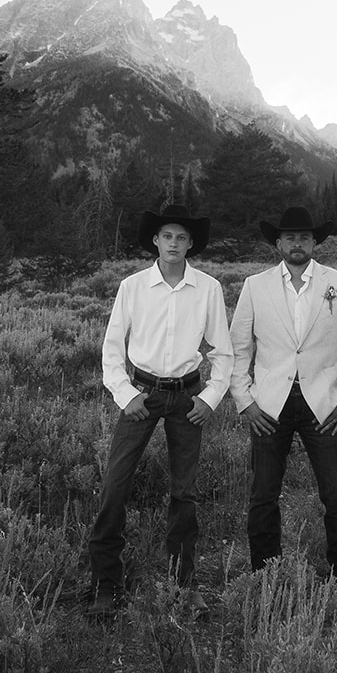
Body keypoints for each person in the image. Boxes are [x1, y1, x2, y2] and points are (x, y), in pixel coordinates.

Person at [89, 203, 232, 617]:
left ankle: (184, 587)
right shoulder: (132, 287)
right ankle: (105, 586)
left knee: (184, 494)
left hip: (187, 398)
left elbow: (223, 352)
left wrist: (209, 398)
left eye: (181, 238)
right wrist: (124, 393)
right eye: (167, 236)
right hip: (142, 396)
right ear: (156, 240)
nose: (173, 243)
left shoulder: (208, 288)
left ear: (191, 244)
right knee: (115, 486)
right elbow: (112, 348)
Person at [230, 206, 337, 581]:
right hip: (269, 404)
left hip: (323, 402)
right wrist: (245, 401)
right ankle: (264, 577)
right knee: (262, 496)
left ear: (314, 242)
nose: (297, 243)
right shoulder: (254, 286)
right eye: (290, 237)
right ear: (278, 243)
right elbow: (239, 349)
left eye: (304, 237)